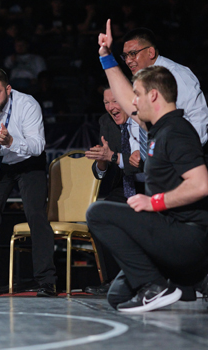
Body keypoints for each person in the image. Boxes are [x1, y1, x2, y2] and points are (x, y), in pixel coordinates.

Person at [86, 65, 208, 313]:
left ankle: (157, 285)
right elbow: (126, 103)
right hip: (168, 233)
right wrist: (106, 58)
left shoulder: (176, 132)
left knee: (97, 212)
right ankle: (188, 283)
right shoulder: (157, 128)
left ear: (153, 95)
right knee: (118, 297)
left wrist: (154, 203)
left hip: (188, 235)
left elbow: (201, 184)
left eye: (138, 94)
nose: (133, 101)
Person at [0, 68, 57, 296]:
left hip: (28, 162)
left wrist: (11, 141)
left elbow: (37, 146)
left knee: (35, 212)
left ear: (8, 89)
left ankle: (46, 280)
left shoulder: (27, 105)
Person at [97, 20, 208, 150]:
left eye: (133, 54)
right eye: (125, 56)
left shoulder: (176, 75)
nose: (128, 61)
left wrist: (182, 155)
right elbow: (132, 110)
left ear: (150, 52)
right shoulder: (142, 78)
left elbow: (199, 119)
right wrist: (106, 56)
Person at [84, 85, 144, 295]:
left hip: (151, 185)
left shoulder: (144, 119)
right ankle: (112, 280)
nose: (110, 107)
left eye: (115, 101)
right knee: (98, 216)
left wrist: (111, 157)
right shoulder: (106, 123)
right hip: (125, 185)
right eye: (106, 102)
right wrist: (102, 161)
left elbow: (143, 163)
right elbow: (102, 168)